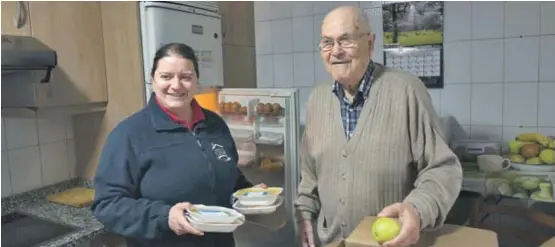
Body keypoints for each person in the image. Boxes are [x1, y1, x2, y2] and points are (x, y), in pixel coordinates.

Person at [294, 6, 462, 247]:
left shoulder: (406, 91)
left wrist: (417, 210)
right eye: (327, 43)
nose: (336, 51)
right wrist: (305, 214)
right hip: (331, 242)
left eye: (346, 40)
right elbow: (310, 172)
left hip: (389, 243)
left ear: (370, 43)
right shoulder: (316, 100)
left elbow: (443, 169)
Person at [92, 43, 264, 247]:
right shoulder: (129, 134)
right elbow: (108, 205)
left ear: (196, 81)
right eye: (166, 76)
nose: (176, 85)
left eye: (186, 77)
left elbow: (229, 176)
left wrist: (248, 195)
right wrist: (165, 216)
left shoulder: (214, 124)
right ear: (153, 80)